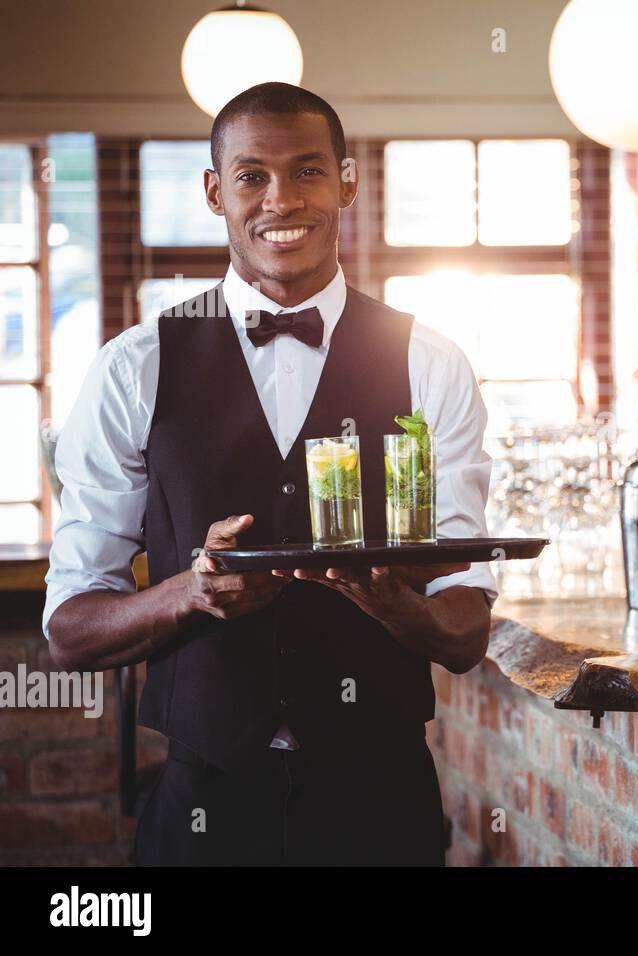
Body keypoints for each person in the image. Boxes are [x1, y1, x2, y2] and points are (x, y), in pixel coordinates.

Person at [43, 82, 497, 866]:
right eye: (251, 175)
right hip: (204, 810)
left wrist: (391, 603)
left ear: (348, 183)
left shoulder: (432, 363)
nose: (280, 198)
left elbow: (463, 634)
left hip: (381, 807)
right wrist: (192, 591)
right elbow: (71, 630)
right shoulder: (133, 367)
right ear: (216, 192)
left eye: (308, 171)